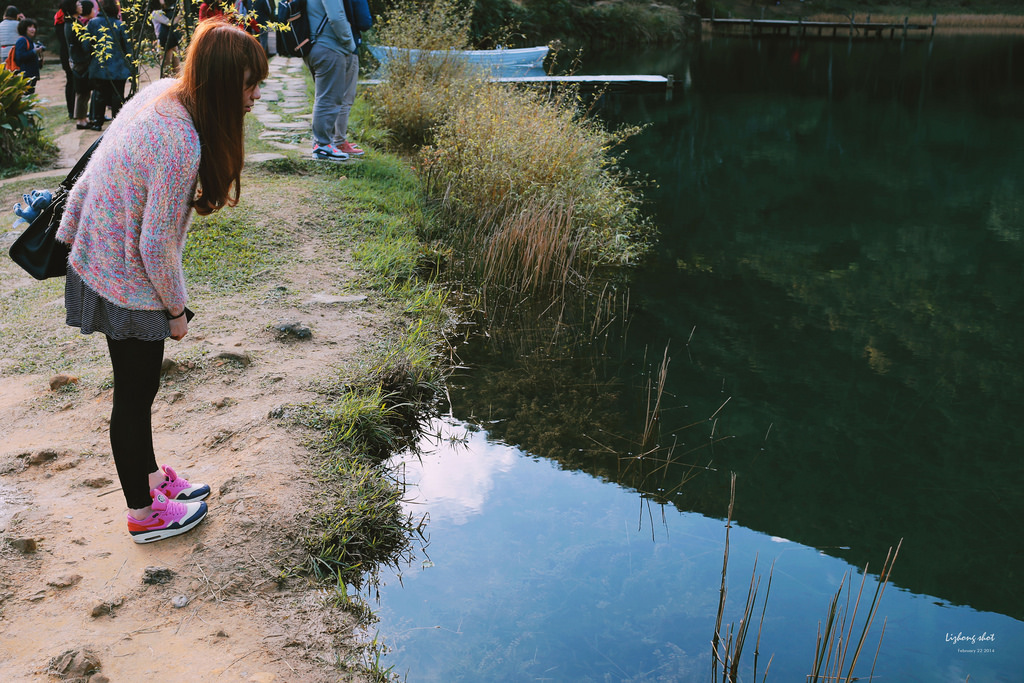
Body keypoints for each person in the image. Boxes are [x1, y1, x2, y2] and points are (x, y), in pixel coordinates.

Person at [56, 18, 268, 544]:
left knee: (139, 390)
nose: (255, 97)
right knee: (134, 393)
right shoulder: (179, 143)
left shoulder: (166, 93)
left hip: (103, 253)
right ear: (222, 85)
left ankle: (150, 482)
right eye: (249, 85)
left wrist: (71, 229)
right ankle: (143, 513)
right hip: (121, 273)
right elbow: (155, 246)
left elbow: (99, 159)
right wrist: (176, 312)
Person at [305, 0, 363, 161]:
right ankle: (322, 145)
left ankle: (324, 143)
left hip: (315, 45)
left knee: (324, 97)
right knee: (330, 98)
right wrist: (350, 43)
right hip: (329, 47)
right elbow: (337, 17)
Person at [86, 0, 131, 126]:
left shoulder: (92, 24)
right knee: (118, 95)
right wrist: (132, 67)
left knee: (100, 95)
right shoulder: (120, 25)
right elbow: (127, 49)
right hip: (119, 68)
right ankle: (117, 123)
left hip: (99, 66)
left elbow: (86, 45)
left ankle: (97, 122)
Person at [67, 0, 99, 130]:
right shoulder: (73, 24)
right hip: (80, 61)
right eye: (78, 4)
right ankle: (81, 120)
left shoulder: (72, 22)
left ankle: (83, 118)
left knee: (83, 92)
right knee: (82, 91)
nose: (80, 6)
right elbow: (81, 44)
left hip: (78, 60)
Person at [55, 1, 78, 118]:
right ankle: (73, 110)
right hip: (69, 53)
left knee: (71, 81)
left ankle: (72, 110)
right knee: (72, 81)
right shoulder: (68, 21)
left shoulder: (59, 17)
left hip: (65, 52)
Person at [149, 0, 179, 74]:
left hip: (172, 39)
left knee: (177, 67)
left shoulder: (165, 11)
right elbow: (169, 23)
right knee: (166, 68)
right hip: (164, 41)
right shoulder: (155, 13)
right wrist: (180, 15)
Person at [12, 18, 43, 92]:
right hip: (25, 76)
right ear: (24, 28)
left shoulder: (29, 40)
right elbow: (19, 57)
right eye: (30, 27)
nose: (33, 29)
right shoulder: (22, 40)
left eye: (34, 27)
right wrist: (34, 51)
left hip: (31, 75)